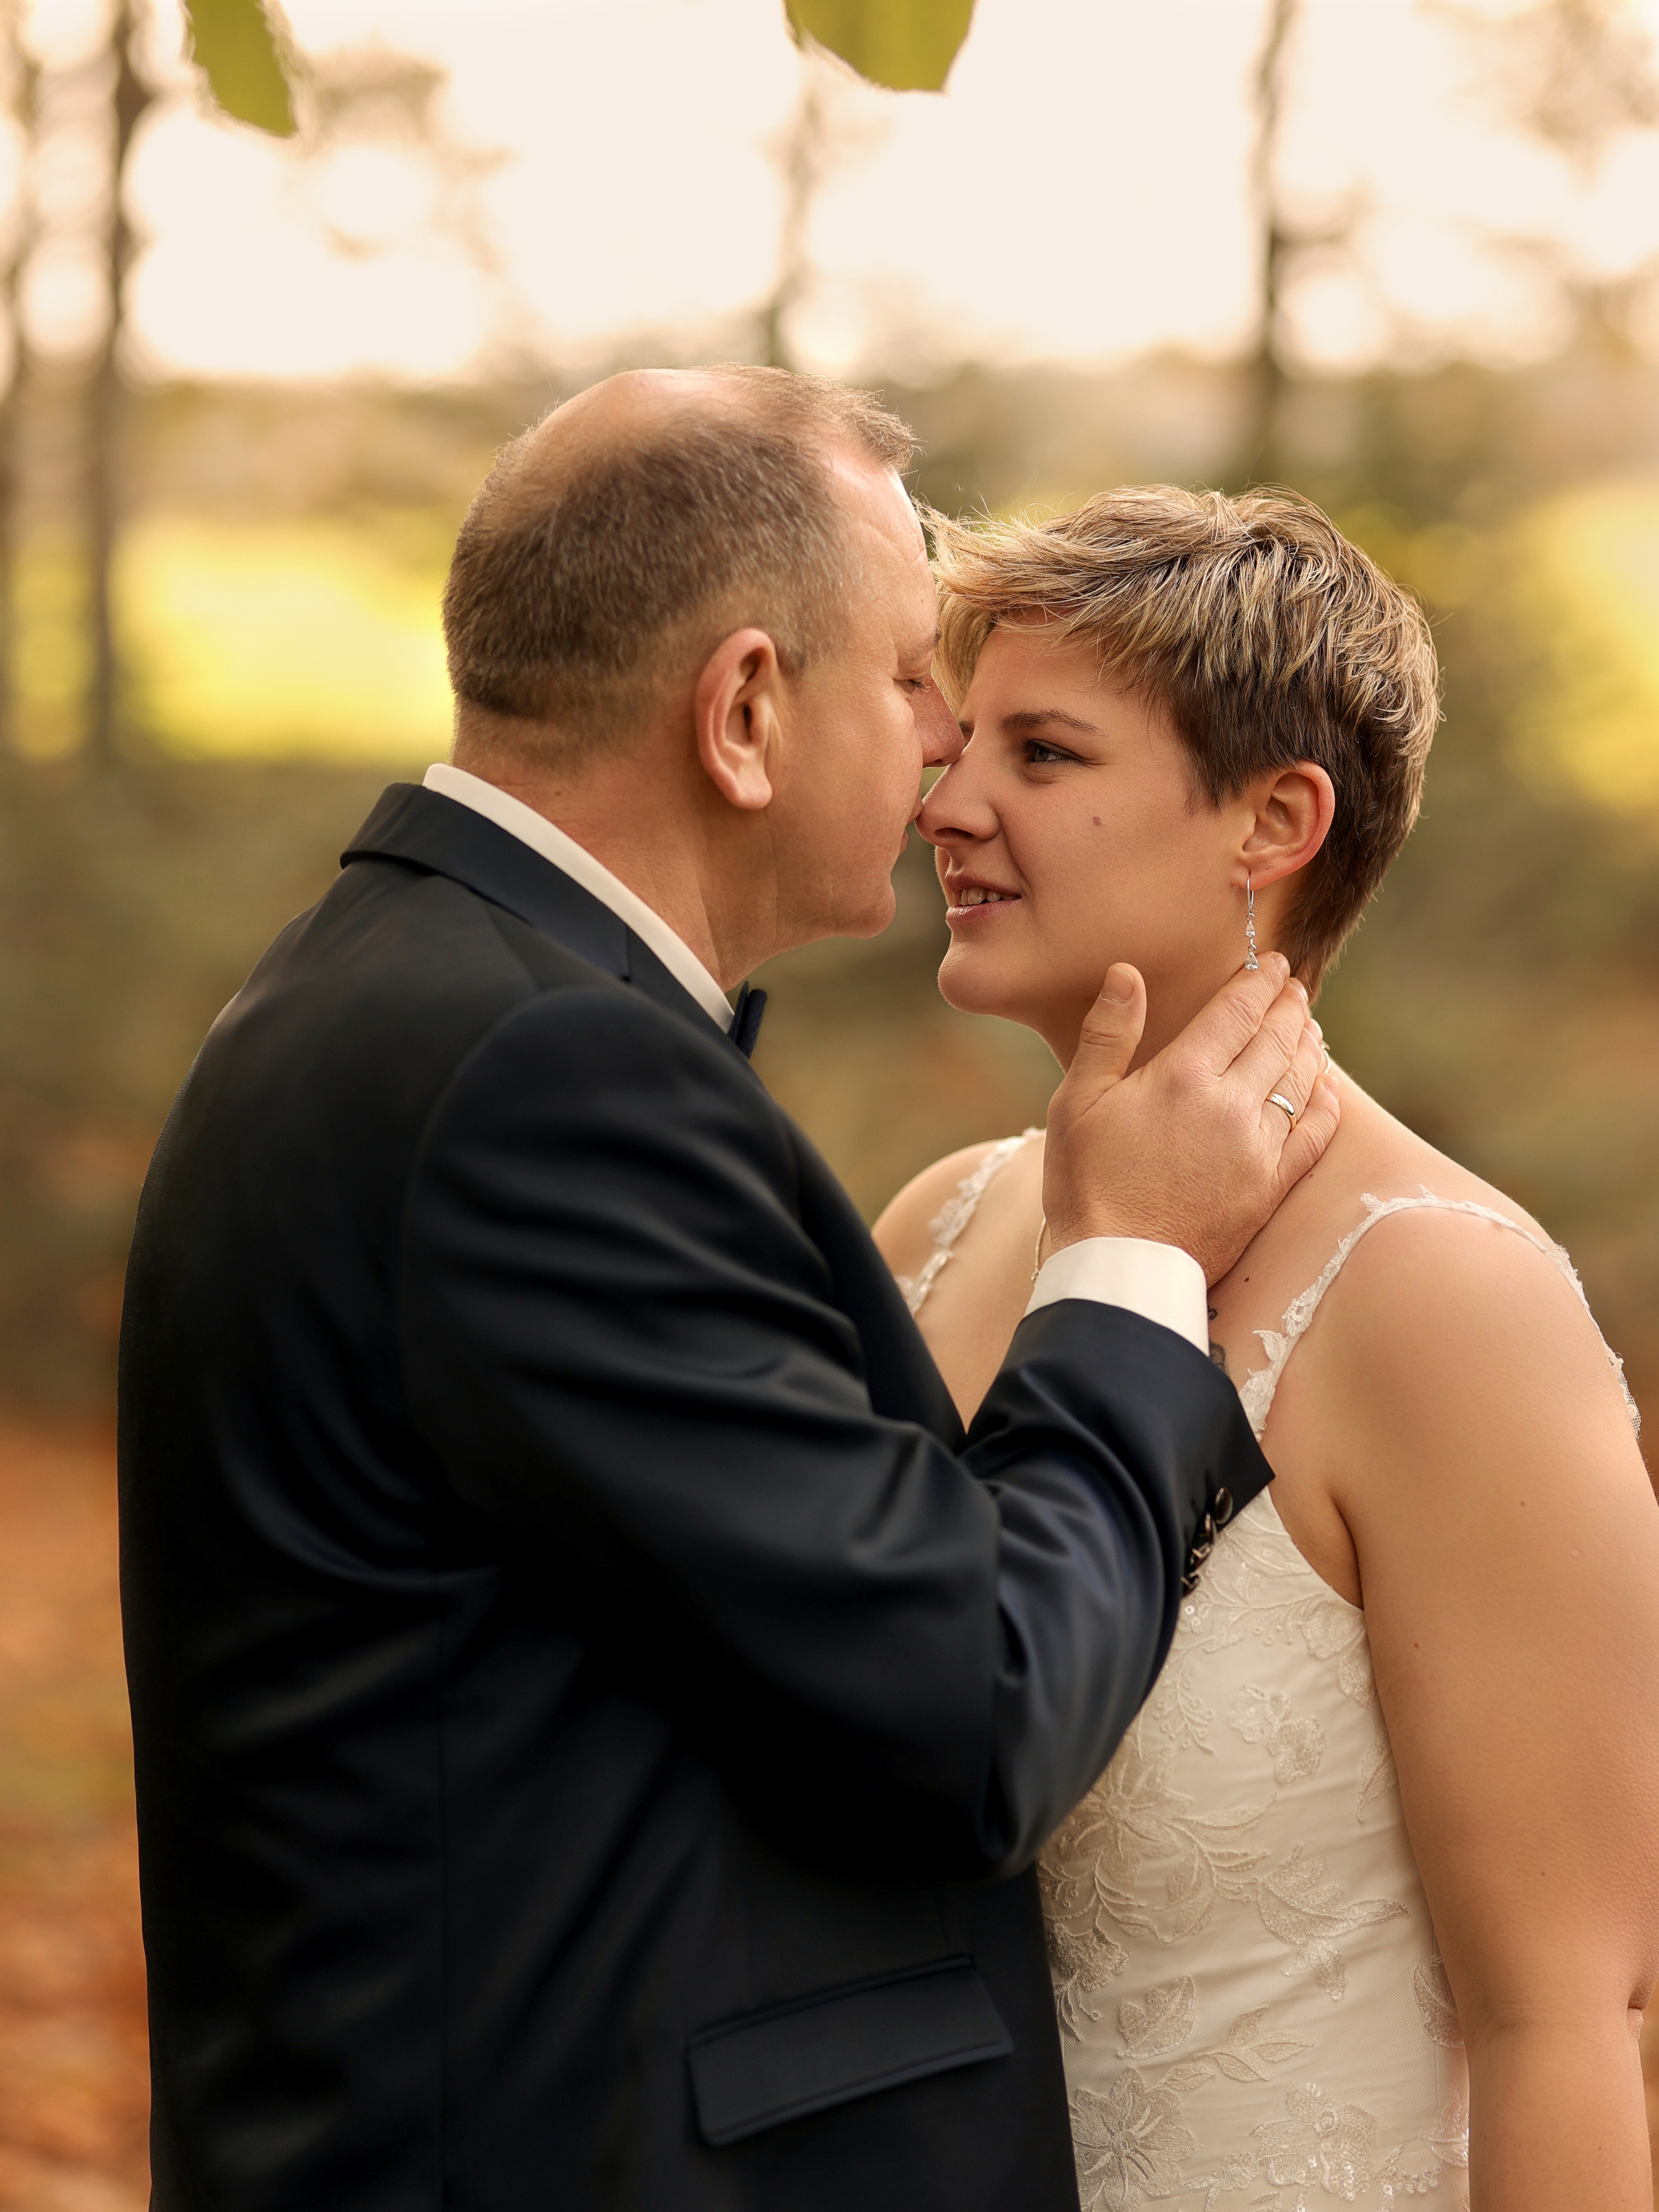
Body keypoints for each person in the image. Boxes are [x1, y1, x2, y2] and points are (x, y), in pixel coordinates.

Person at [117, 371, 1339, 2212]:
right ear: (748, 708)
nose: (944, 745)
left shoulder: (386, 991)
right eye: (915, 674)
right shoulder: (546, 1081)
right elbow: (972, 1707)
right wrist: (1129, 1261)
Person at [873, 484, 1659, 2211]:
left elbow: (1570, 2026)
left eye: (1046, 754)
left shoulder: (1450, 1305)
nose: (951, 798)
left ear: (1274, 821)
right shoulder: (930, 1231)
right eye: (961, 738)